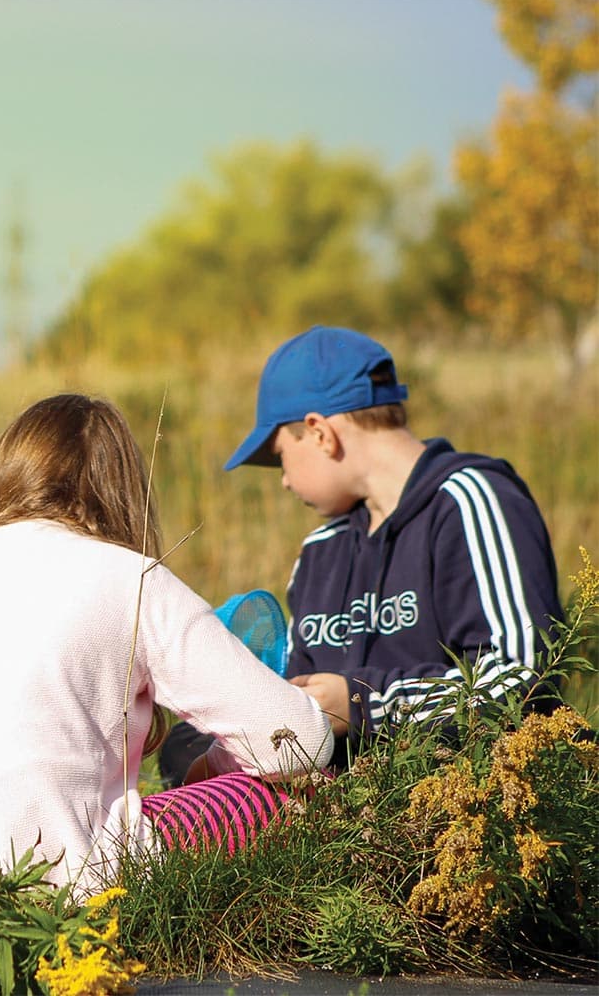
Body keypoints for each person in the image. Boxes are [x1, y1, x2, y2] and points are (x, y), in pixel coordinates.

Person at [0, 394, 333, 894]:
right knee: (280, 795)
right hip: (36, 888)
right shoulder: (133, 579)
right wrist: (217, 766)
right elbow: (299, 742)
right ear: (124, 491)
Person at [161, 326, 564, 782]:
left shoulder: (471, 499)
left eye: (280, 456)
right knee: (184, 744)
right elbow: (299, 687)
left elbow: (524, 678)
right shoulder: (322, 550)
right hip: (352, 807)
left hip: (469, 798)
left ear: (319, 433)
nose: (285, 481)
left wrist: (363, 704)